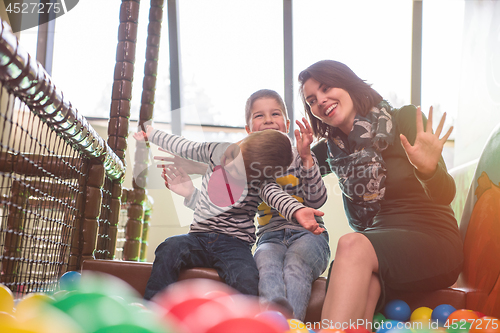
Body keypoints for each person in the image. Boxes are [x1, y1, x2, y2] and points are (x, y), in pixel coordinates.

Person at [298, 60, 463, 328]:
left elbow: (445, 195)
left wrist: (428, 169)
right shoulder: (331, 152)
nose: (321, 101)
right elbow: (285, 171)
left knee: (352, 244)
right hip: (380, 250)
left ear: (348, 83)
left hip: (433, 239)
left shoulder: (404, 119)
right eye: (312, 100)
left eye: (327, 88)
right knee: (367, 281)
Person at [160, 89, 331, 321]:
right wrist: (191, 190)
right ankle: (270, 323)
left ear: (287, 124)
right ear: (249, 130)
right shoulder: (243, 167)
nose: (269, 119)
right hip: (269, 238)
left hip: (309, 235)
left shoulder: (302, 155)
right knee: (266, 268)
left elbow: (317, 199)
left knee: (294, 265)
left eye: (275, 113)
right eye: (259, 116)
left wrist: (307, 158)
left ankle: (290, 326)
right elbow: (224, 208)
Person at [134, 125, 322, 300]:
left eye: (240, 170)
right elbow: (186, 146)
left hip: (234, 246)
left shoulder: (261, 182)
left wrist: (298, 210)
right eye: (234, 156)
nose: (229, 165)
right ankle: (153, 309)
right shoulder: (217, 151)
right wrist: (152, 134)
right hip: (198, 238)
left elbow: (276, 196)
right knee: (169, 247)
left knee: (247, 278)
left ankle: (243, 323)